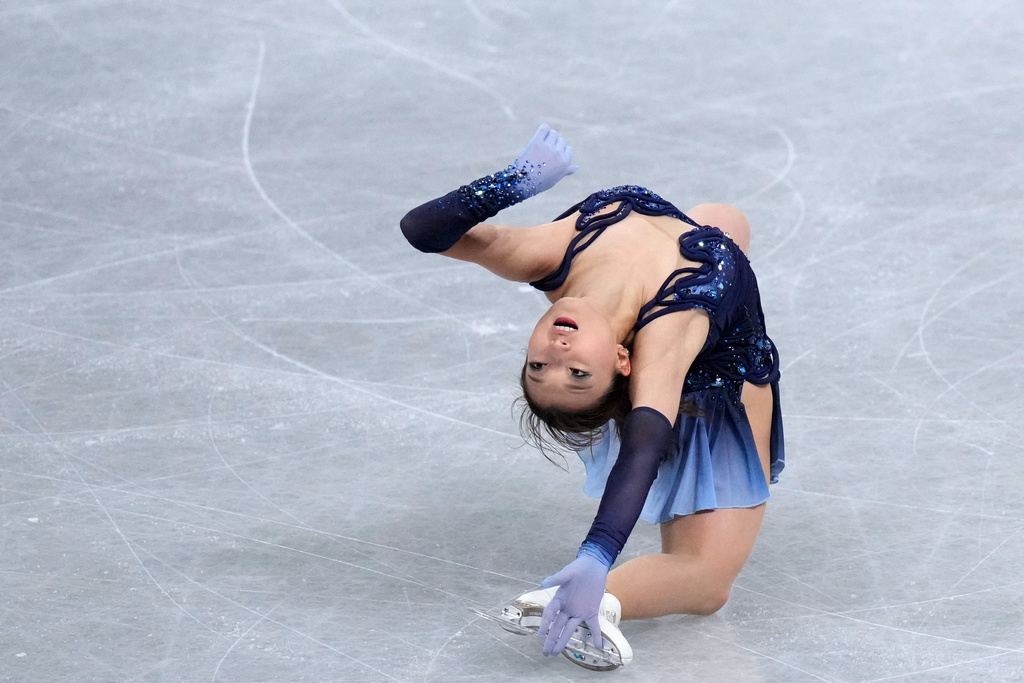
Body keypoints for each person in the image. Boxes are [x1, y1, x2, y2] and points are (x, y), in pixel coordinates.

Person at [400, 125, 784, 670]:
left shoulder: (554, 254)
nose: (557, 348)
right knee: (707, 583)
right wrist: (596, 553)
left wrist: (516, 180)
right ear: (623, 362)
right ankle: (593, 601)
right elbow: (648, 441)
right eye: (576, 371)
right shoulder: (668, 328)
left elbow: (422, 230)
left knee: (726, 220)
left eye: (538, 365)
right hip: (716, 394)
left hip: (703, 301)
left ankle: (590, 592)